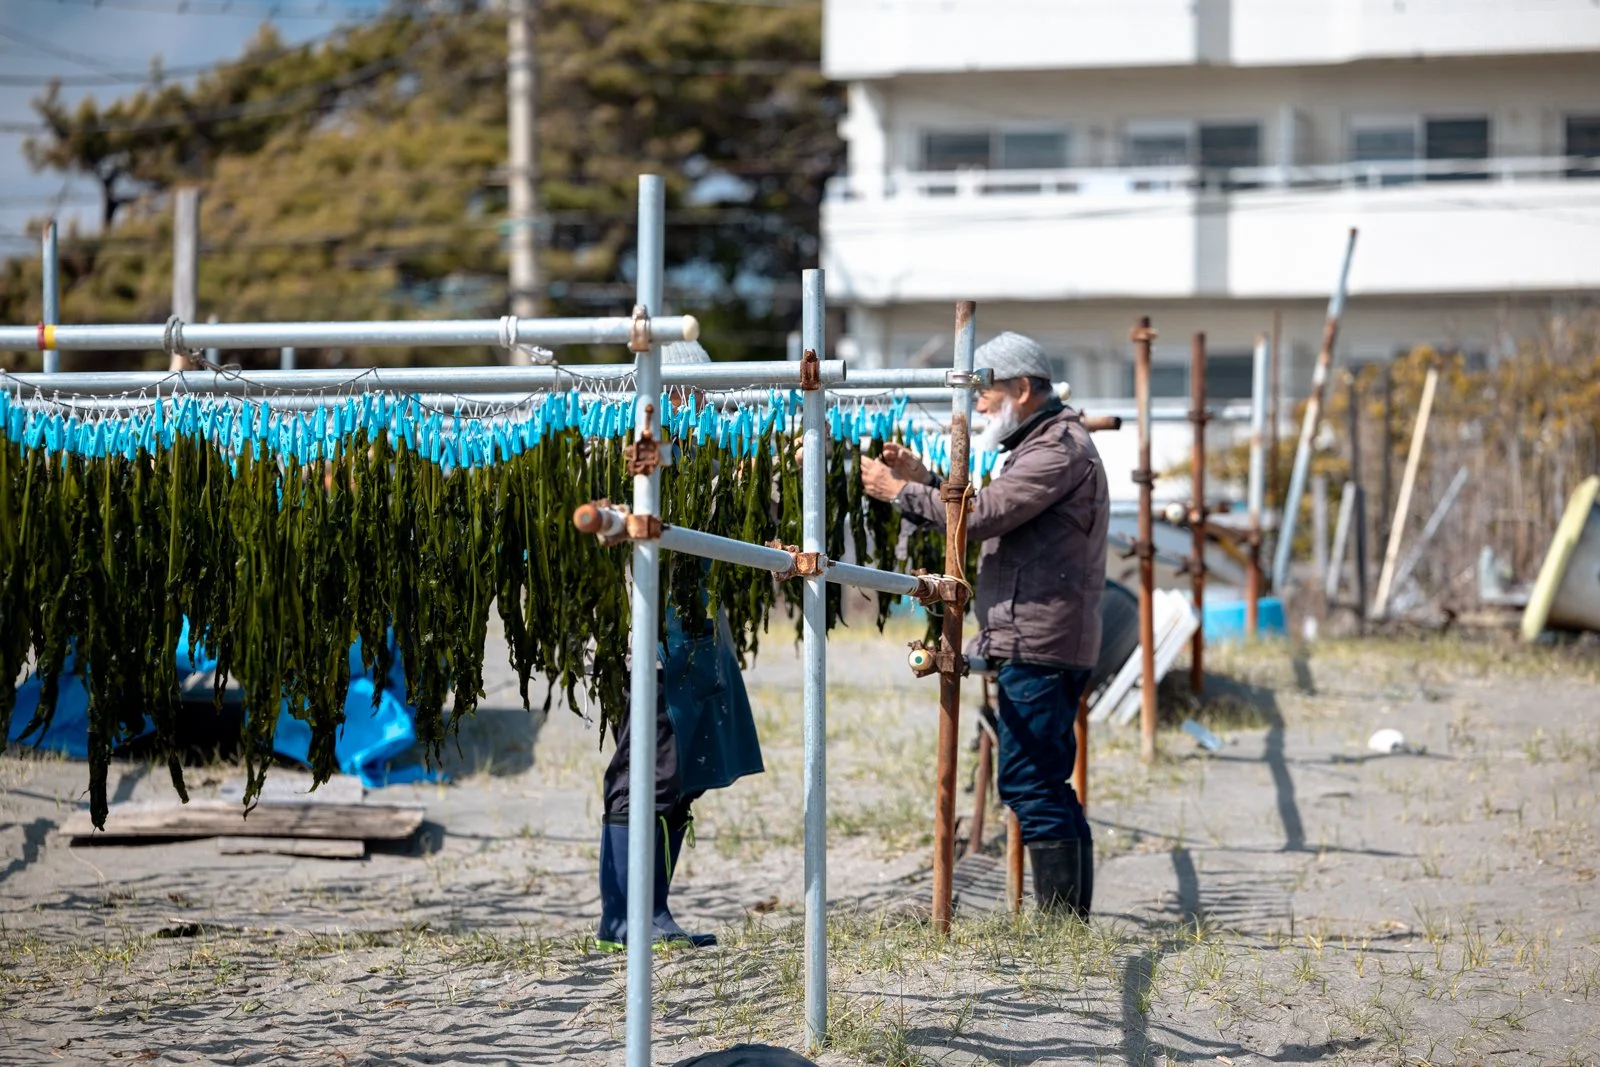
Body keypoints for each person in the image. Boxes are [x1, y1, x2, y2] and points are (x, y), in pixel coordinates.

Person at [859, 332, 1109, 919]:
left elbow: (986, 515)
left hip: (1041, 644)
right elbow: (990, 509)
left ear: (1022, 390)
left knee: (1031, 784)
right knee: (1042, 781)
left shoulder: (1059, 449)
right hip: (1035, 638)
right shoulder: (1046, 442)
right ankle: (1065, 922)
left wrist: (901, 493)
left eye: (986, 395)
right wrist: (924, 478)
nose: (977, 408)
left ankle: (1062, 925)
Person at [595, 339, 764, 951]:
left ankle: (652, 910)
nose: (699, 406)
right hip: (651, 639)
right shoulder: (637, 456)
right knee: (649, 770)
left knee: (682, 771)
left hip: (693, 638)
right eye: (688, 395)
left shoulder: (694, 459)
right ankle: (626, 918)